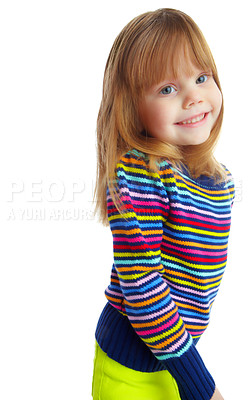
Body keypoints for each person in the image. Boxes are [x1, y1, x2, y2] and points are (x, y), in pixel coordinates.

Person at [92, 8, 235, 400]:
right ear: (132, 108)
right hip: (132, 370)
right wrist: (201, 385)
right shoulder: (141, 173)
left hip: (175, 359)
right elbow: (143, 288)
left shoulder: (219, 179)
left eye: (201, 77)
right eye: (168, 89)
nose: (194, 97)